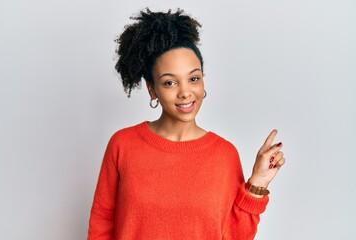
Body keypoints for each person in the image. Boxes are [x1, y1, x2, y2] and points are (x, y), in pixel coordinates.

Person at [87, 8, 285, 240]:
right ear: (152, 89)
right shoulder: (123, 144)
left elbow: (235, 235)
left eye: (193, 78)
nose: (185, 92)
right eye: (170, 82)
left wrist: (258, 182)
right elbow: (101, 224)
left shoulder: (224, 154)